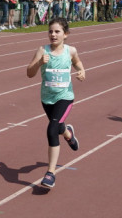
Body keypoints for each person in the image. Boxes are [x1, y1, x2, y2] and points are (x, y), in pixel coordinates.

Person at [25, 18, 86, 190]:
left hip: (65, 97)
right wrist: (39, 62)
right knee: (58, 126)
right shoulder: (42, 51)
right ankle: (68, 134)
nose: (53, 34)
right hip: (47, 98)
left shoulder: (71, 51)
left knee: (52, 128)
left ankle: (50, 173)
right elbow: (29, 73)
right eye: (50, 31)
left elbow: (77, 62)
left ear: (65, 34)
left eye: (57, 31)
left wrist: (82, 70)